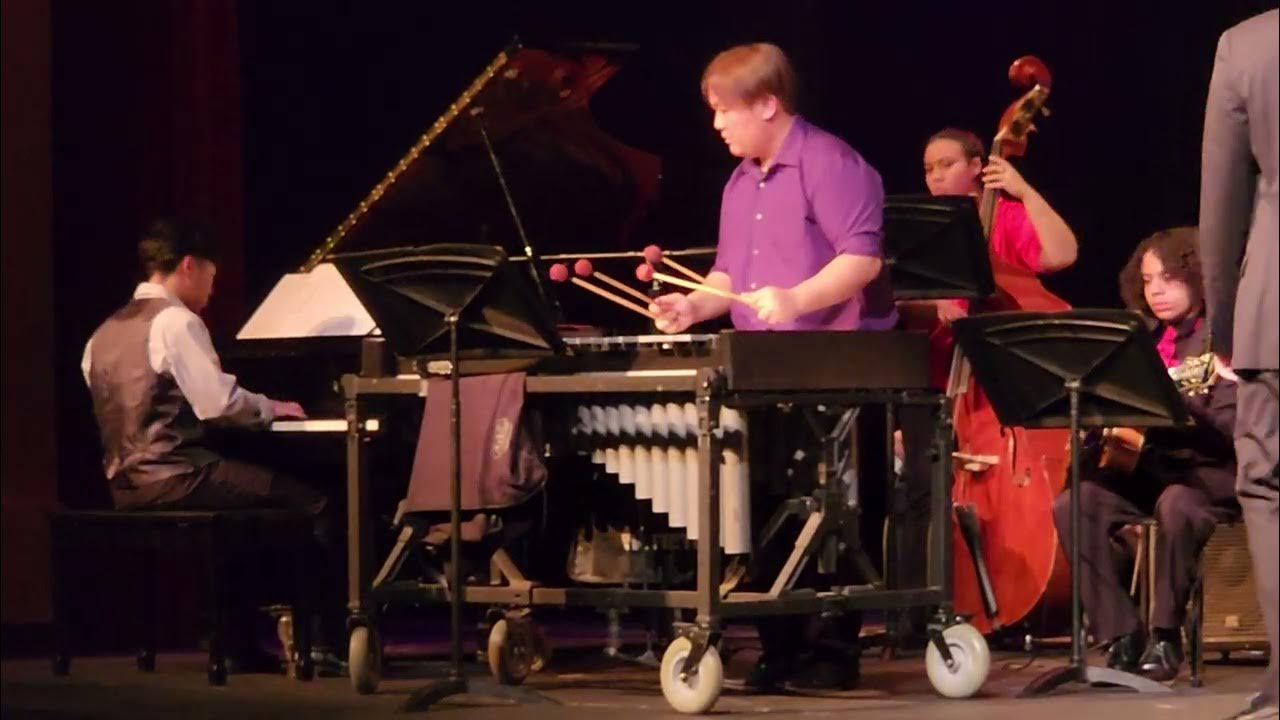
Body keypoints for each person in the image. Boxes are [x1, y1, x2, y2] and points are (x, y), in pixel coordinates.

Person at [649, 42, 893, 691]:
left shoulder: (831, 162)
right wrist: (694, 306)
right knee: (762, 508)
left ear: (767, 103)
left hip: (832, 364)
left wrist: (794, 298)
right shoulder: (739, 182)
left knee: (832, 513)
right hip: (760, 365)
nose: (717, 123)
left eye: (726, 110)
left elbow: (861, 260)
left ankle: (832, 651)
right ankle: (779, 647)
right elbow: (730, 273)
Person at [82, 219, 334, 670]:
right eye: (212, 278)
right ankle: (324, 639)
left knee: (245, 510)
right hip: (177, 474)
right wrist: (273, 406)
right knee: (316, 505)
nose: (212, 291)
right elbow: (218, 404)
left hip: (124, 482)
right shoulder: (176, 321)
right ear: (188, 266)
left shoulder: (102, 333)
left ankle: (239, 642)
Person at [889, 128, 1081, 642]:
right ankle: (915, 617)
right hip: (938, 382)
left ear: (978, 165)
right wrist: (936, 305)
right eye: (928, 168)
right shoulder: (925, 232)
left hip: (995, 389)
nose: (934, 177)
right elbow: (896, 301)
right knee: (918, 495)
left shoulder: (1005, 217)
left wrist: (1022, 188)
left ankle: (995, 596)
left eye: (946, 165)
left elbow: (1060, 255)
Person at [1051, 228, 1239, 681]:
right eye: (1149, 279)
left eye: (1169, 278)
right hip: (1149, 469)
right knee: (1075, 503)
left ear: (1198, 277)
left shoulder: (1223, 340)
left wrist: (1178, 407)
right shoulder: (1140, 340)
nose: (1156, 290)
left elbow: (1233, 432)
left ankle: (1165, 635)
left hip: (1211, 472)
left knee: (1177, 502)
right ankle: (1121, 633)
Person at [1198, 9, 1278, 719]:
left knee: (1272, 489)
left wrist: (1222, 326)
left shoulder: (1248, 45)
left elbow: (1220, 207)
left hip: (1275, 314)